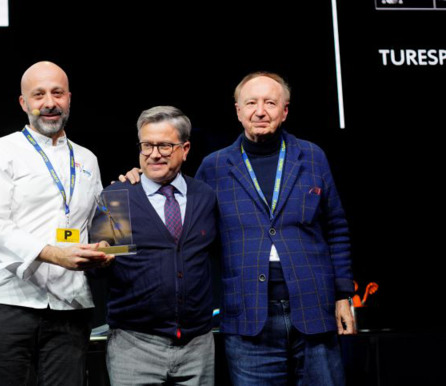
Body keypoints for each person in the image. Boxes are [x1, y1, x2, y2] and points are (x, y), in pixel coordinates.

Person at [122, 72, 355, 385]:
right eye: (251, 103)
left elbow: (336, 228)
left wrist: (343, 296)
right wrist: (141, 179)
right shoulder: (215, 167)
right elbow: (180, 218)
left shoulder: (312, 157)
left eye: (270, 103)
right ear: (238, 111)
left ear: (284, 110)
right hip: (247, 315)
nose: (260, 111)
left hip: (314, 309)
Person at [0, 61, 113, 386]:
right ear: (24, 103)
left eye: (57, 93)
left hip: (70, 305)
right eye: (39, 95)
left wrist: (105, 244)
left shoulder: (87, 159)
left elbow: (97, 225)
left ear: (69, 99)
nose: (49, 103)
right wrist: (54, 254)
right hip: (6, 301)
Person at [100, 106, 217, 385]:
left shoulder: (205, 196)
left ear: (185, 148)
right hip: (134, 347)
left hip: (197, 347)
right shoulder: (118, 197)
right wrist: (99, 257)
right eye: (146, 145)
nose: (154, 154)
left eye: (164, 145)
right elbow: (101, 262)